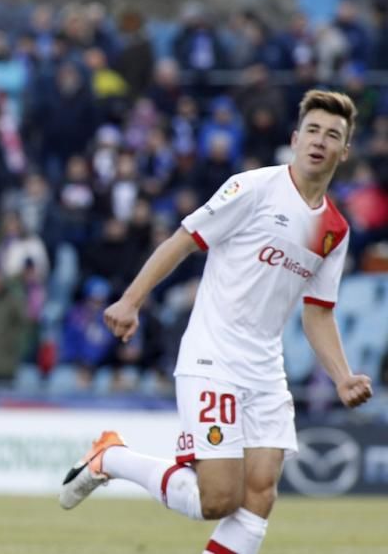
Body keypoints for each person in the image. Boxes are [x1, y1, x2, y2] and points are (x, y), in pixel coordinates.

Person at [59, 89, 373, 554]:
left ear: (344, 152)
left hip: (266, 368)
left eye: (333, 135)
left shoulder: (335, 229)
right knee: (218, 499)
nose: (320, 141)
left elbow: (318, 313)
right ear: (294, 137)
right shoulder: (254, 187)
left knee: (260, 495)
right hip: (214, 355)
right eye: (312, 130)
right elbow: (183, 241)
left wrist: (342, 376)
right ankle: (111, 457)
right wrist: (131, 301)